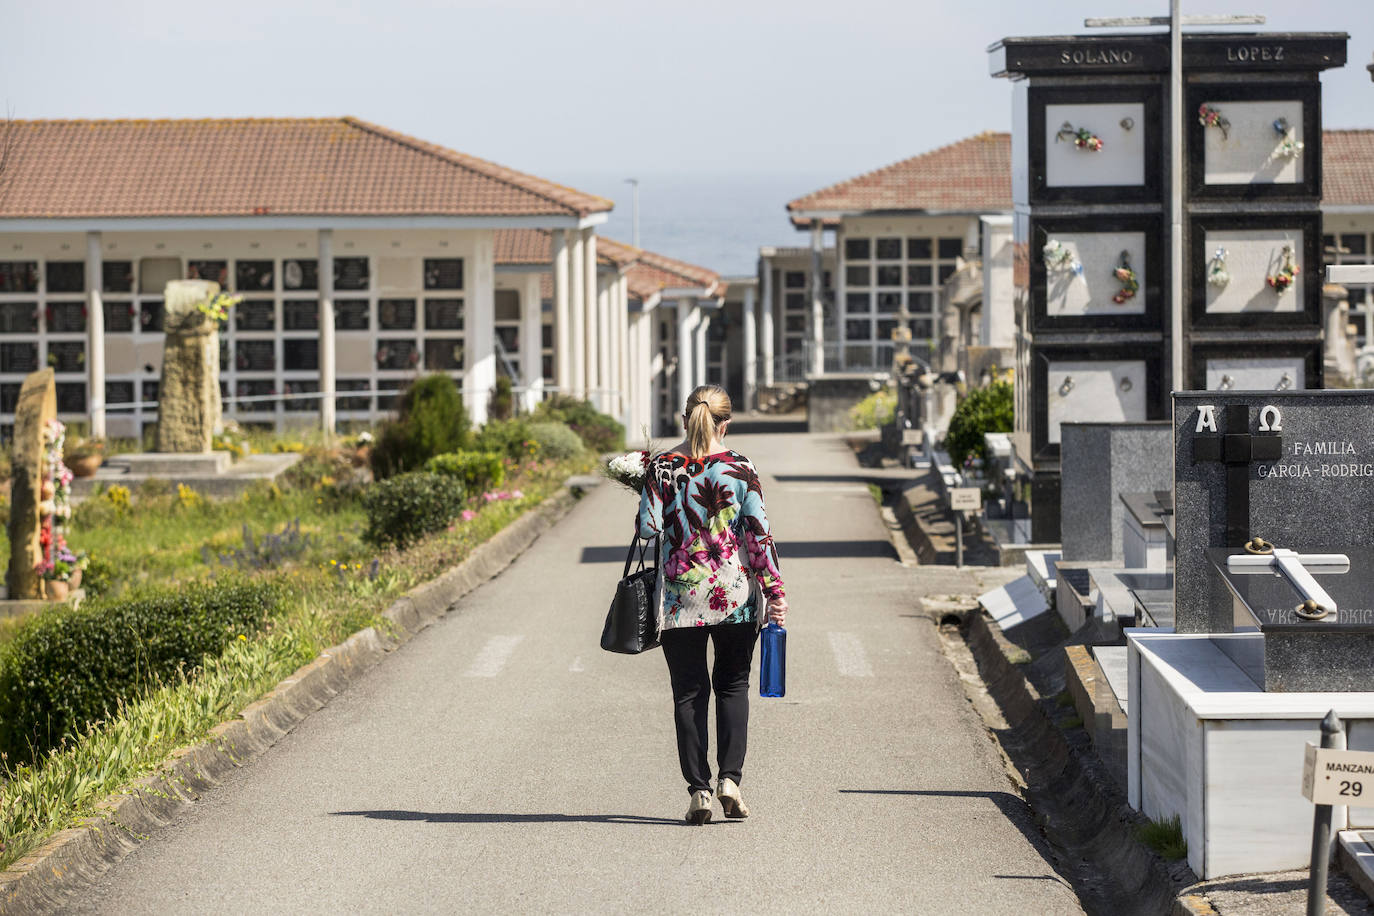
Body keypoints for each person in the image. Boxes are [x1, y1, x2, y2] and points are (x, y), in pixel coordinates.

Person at [635, 384, 788, 825]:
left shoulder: (662, 467)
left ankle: (698, 791)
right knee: (732, 685)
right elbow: (759, 534)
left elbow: (647, 529)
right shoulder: (740, 467)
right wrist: (775, 592)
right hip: (734, 595)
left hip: (681, 596)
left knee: (688, 691)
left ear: (685, 420)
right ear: (727, 422)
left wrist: (644, 486)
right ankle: (730, 781)